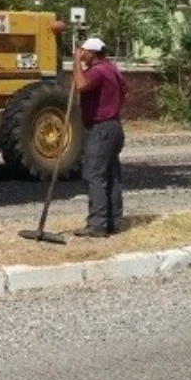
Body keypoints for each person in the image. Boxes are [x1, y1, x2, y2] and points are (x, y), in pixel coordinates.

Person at [71, 36, 128, 238]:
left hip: (102, 128)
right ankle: (113, 221)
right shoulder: (112, 69)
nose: (81, 53)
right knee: (111, 175)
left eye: (84, 51)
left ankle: (97, 224)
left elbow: (81, 85)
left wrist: (76, 63)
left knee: (93, 175)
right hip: (114, 125)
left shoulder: (98, 71)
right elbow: (125, 89)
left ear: (92, 53)